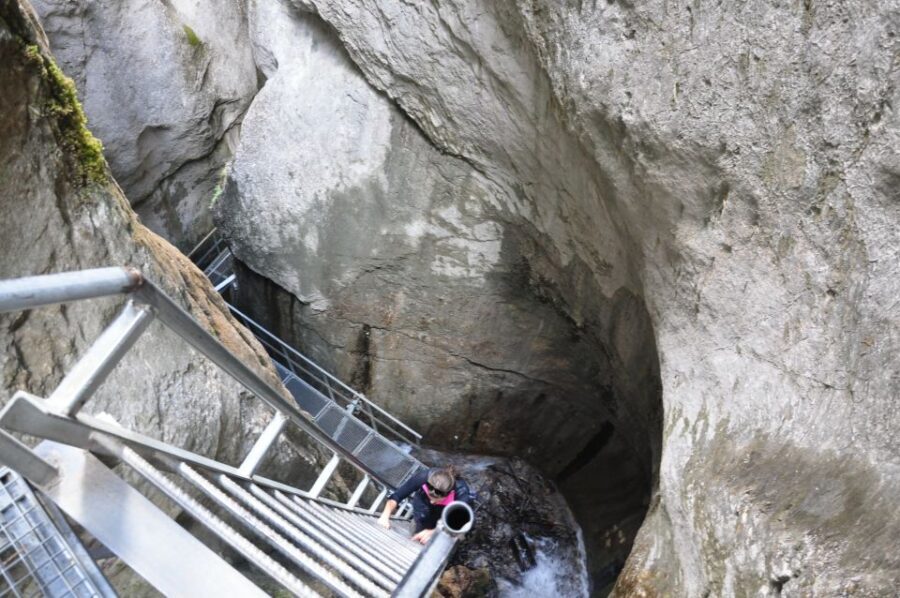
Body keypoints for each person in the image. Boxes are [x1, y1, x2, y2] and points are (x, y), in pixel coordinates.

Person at [378, 466, 471, 544]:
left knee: (449, 537)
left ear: (449, 493)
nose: (432, 502)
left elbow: (460, 521)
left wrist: (435, 532)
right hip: (423, 505)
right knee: (419, 530)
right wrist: (385, 515)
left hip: (447, 513)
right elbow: (397, 496)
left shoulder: (461, 493)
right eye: (431, 498)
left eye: (436, 500)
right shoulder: (422, 477)